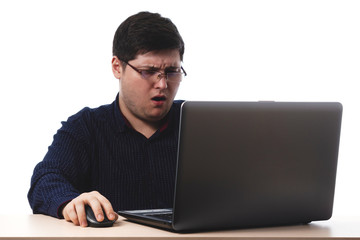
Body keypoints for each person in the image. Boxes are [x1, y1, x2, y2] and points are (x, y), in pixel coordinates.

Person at [28, 11, 186, 227]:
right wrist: (70, 202)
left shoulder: (200, 126)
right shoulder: (86, 127)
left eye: (172, 71)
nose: (162, 84)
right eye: (149, 71)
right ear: (117, 67)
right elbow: (45, 180)